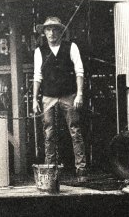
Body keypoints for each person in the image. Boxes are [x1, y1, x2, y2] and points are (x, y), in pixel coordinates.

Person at [32, 16, 87, 182]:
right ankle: (50, 172)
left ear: (61, 31)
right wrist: (35, 99)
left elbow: (79, 71)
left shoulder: (71, 47)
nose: (51, 33)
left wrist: (80, 94)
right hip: (48, 97)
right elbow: (37, 76)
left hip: (68, 95)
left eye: (55, 29)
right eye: (48, 29)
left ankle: (81, 171)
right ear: (44, 33)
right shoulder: (39, 51)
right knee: (49, 134)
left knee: (75, 131)